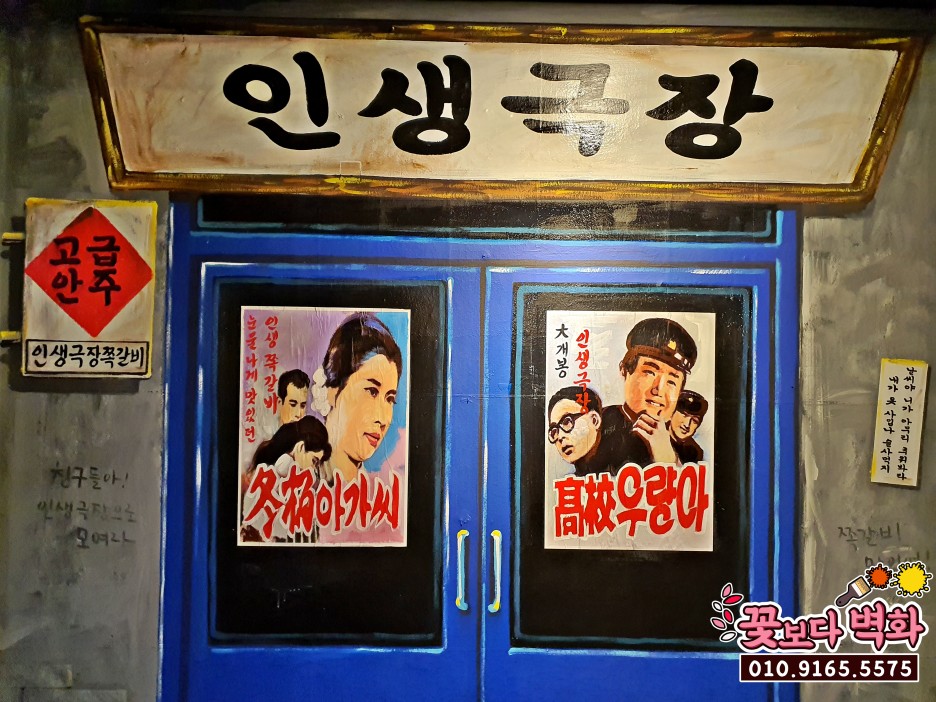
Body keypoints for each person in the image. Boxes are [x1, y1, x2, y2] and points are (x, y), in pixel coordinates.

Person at [312, 313, 402, 484]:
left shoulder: (376, 492)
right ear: (332, 391)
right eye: (372, 391)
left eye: (390, 399)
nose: (382, 419)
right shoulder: (295, 481)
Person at [598, 317, 698, 469]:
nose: (659, 390)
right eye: (650, 372)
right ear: (624, 370)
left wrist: (670, 461)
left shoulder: (689, 450)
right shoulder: (597, 427)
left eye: (672, 381)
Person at [241, 415, 331, 543]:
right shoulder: (282, 471)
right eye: (314, 461)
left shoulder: (278, 469)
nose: (313, 468)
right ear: (300, 447)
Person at [547, 385, 617, 476]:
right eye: (554, 431)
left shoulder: (623, 464)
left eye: (567, 422)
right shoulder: (573, 481)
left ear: (594, 420)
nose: (560, 437)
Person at [669, 389, 708, 463]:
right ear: (672, 413)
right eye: (684, 415)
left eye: (694, 421)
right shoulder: (654, 437)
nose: (687, 424)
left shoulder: (695, 452)